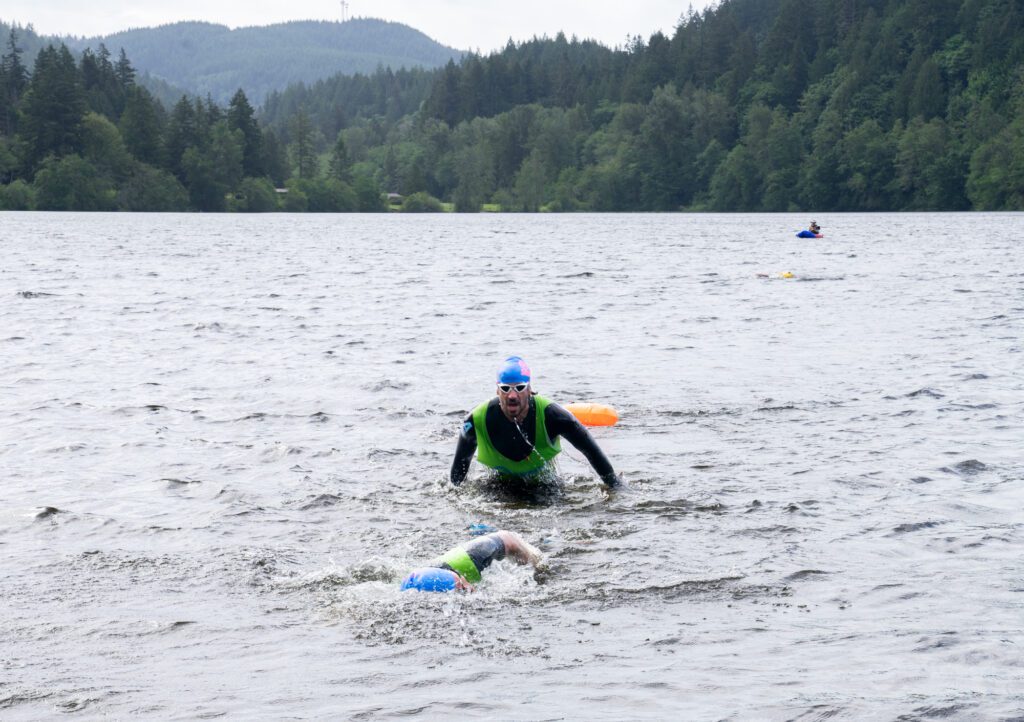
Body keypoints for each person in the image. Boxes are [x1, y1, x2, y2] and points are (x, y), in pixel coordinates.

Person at [450, 356, 619, 487]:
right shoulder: (474, 421)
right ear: (497, 390)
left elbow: (592, 453)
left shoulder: (555, 417)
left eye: (520, 387)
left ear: (530, 389)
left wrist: (616, 489)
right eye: (506, 388)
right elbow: (457, 479)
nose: (512, 395)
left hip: (544, 486)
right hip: (498, 487)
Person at [400, 530, 543, 592]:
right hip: (436, 568)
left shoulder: (472, 559)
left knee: (508, 540)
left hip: (455, 562)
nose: (467, 588)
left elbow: (508, 539)